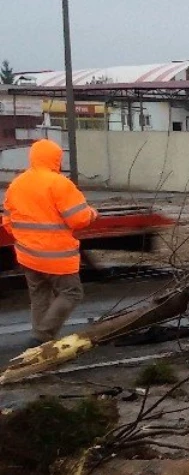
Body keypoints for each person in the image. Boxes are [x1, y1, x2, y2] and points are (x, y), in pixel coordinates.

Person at [1, 139, 98, 347]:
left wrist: (27, 239)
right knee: (71, 292)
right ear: (57, 159)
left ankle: (39, 343)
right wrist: (92, 213)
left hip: (27, 254)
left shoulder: (17, 184)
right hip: (57, 256)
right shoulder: (59, 183)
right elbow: (79, 219)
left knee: (39, 296)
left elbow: (7, 221)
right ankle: (42, 335)